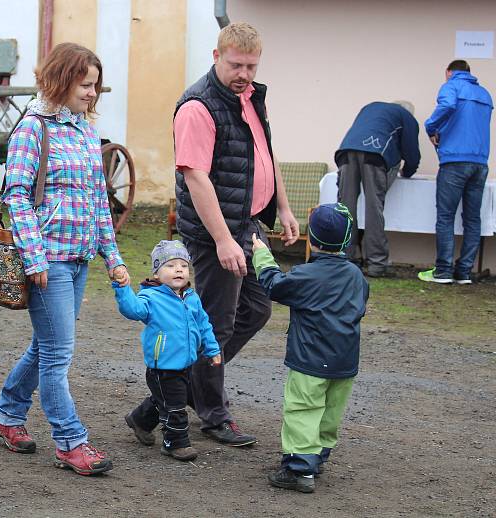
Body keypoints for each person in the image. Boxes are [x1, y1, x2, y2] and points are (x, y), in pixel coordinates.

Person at [0, 43, 128, 476]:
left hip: (80, 258)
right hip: (49, 263)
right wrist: (35, 259)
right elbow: (16, 196)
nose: (92, 93)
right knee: (58, 353)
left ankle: (7, 414)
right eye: (85, 84)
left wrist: (112, 256)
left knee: (46, 346)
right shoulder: (33, 128)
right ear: (61, 80)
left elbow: (98, 200)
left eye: (95, 85)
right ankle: (71, 441)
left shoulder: (84, 128)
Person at [173, 21, 299, 446]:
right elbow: (195, 176)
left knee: (258, 309)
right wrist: (225, 239)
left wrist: (281, 206)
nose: (245, 73)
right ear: (216, 56)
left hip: (247, 225)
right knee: (217, 324)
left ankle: (177, 395)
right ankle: (211, 413)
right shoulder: (197, 107)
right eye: (236, 64)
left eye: (251, 65)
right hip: (214, 234)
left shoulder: (249, 97)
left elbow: (265, 151)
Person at [251, 203, 369, 493]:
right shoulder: (356, 276)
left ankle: (299, 469)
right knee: (331, 411)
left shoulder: (306, 275)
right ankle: (318, 456)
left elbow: (274, 285)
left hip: (310, 359)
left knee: (303, 409)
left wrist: (262, 255)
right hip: (345, 361)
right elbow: (360, 306)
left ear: (312, 239)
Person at [114, 240, 222, 462]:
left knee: (164, 398)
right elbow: (132, 310)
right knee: (174, 405)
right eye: (171, 265)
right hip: (162, 366)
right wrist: (123, 288)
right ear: (157, 273)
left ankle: (139, 420)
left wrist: (212, 349)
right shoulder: (151, 297)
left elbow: (204, 324)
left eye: (183, 265)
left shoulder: (192, 298)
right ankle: (175, 443)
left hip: (186, 362)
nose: (179, 270)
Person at [419, 60, 493, 284]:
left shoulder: (451, 86)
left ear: (449, 72)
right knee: (472, 219)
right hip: (480, 163)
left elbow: (448, 106)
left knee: (445, 216)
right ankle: (463, 272)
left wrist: (431, 127)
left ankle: (442, 271)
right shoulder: (485, 94)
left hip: (454, 161)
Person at [335, 101, 421, 277]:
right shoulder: (407, 117)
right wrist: (408, 172)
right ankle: (377, 264)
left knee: (345, 207)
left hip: (346, 152)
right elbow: (411, 152)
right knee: (374, 208)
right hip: (375, 155)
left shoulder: (370, 107)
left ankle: (345, 258)